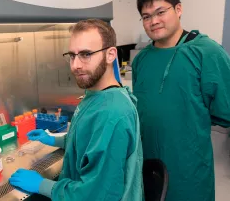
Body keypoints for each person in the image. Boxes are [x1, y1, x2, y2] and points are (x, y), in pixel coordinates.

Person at [8, 19, 143, 201]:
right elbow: (89, 140)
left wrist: (42, 184)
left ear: (111, 55)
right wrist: (53, 139)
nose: (75, 65)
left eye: (86, 54)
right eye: (72, 55)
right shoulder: (95, 95)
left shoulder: (112, 113)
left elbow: (96, 195)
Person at [133, 0, 230, 201]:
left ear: (178, 9)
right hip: (148, 166)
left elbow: (225, 110)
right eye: (146, 16)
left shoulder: (207, 52)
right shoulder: (141, 60)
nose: (154, 21)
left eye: (160, 12)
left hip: (189, 169)